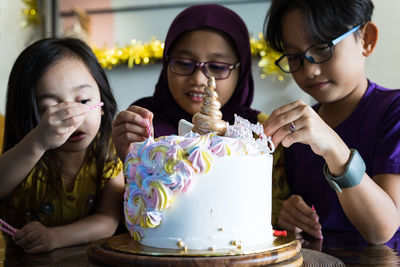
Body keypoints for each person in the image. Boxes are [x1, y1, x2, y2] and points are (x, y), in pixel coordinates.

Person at [111, 3, 290, 225]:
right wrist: (129, 158)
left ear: (241, 71)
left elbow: (273, 203)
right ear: (167, 63)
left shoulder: (259, 133)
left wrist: (286, 213)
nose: (199, 79)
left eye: (217, 67)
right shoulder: (143, 124)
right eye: (184, 63)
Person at [263, 0, 400, 244]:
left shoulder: (393, 111)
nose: (309, 70)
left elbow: (382, 230)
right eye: (295, 57)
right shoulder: (298, 129)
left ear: (366, 39)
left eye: (321, 48)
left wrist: (333, 147)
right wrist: (289, 212)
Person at [0, 38, 124, 253]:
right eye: (49, 108)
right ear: (27, 113)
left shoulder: (109, 152)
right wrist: (38, 141)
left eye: (84, 101)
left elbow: (107, 220)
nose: (71, 118)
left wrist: (54, 237)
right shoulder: (26, 154)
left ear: (102, 103)